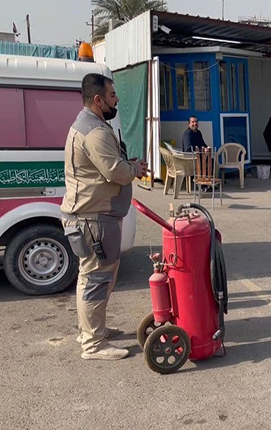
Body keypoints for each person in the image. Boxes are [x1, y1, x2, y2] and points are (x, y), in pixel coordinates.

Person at [61, 73, 148, 360]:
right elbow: (115, 172)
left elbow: (109, 165)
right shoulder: (94, 131)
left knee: (95, 277)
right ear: (98, 100)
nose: (117, 100)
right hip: (93, 218)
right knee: (96, 279)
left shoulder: (91, 125)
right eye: (112, 95)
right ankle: (93, 344)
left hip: (95, 216)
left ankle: (91, 330)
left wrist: (128, 165)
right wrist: (134, 169)